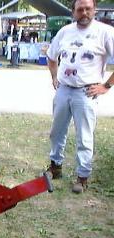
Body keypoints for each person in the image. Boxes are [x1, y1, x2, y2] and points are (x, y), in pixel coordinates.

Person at [45, 0, 114, 193]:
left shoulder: (105, 32)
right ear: (73, 12)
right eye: (80, 9)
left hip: (86, 92)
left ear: (94, 10)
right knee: (56, 131)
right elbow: (51, 56)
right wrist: (54, 76)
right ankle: (55, 166)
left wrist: (106, 86)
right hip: (64, 89)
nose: (84, 12)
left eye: (88, 9)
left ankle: (82, 176)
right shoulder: (65, 32)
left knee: (84, 136)